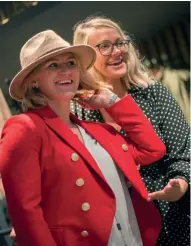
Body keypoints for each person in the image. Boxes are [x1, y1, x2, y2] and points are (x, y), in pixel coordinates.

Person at [0, 30, 166, 246]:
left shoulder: (98, 130)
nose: (65, 71)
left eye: (71, 63)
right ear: (33, 82)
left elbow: (153, 149)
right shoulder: (25, 128)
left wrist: (112, 102)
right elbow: (26, 213)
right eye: (53, 65)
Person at [72, 16, 190, 246]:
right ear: (86, 59)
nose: (117, 51)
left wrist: (181, 183)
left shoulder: (153, 93)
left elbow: (182, 151)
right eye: (104, 46)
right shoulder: (79, 112)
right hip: (124, 225)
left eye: (120, 43)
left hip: (176, 214)